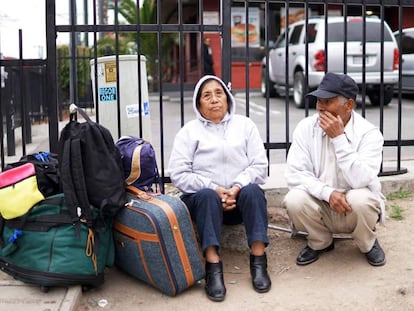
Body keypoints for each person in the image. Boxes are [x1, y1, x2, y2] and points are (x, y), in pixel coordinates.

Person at [168, 75, 271, 302]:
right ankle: (213, 264)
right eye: (207, 95)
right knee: (206, 196)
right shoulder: (189, 132)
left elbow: (260, 166)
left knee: (253, 191)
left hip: (238, 201)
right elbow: (178, 173)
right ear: (198, 104)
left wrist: (236, 187)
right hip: (203, 204)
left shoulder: (245, 126)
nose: (214, 100)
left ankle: (259, 259)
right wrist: (214, 188)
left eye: (218, 93)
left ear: (227, 98)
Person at [282, 72, 386, 267]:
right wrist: (328, 194)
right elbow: (295, 173)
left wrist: (339, 139)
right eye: (318, 101)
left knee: (362, 199)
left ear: (348, 105)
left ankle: (367, 242)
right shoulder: (305, 127)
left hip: (353, 206)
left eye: (327, 101)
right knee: (294, 199)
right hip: (320, 204)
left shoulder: (370, 134)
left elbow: (361, 180)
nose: (320, 107)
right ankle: (320, 242)